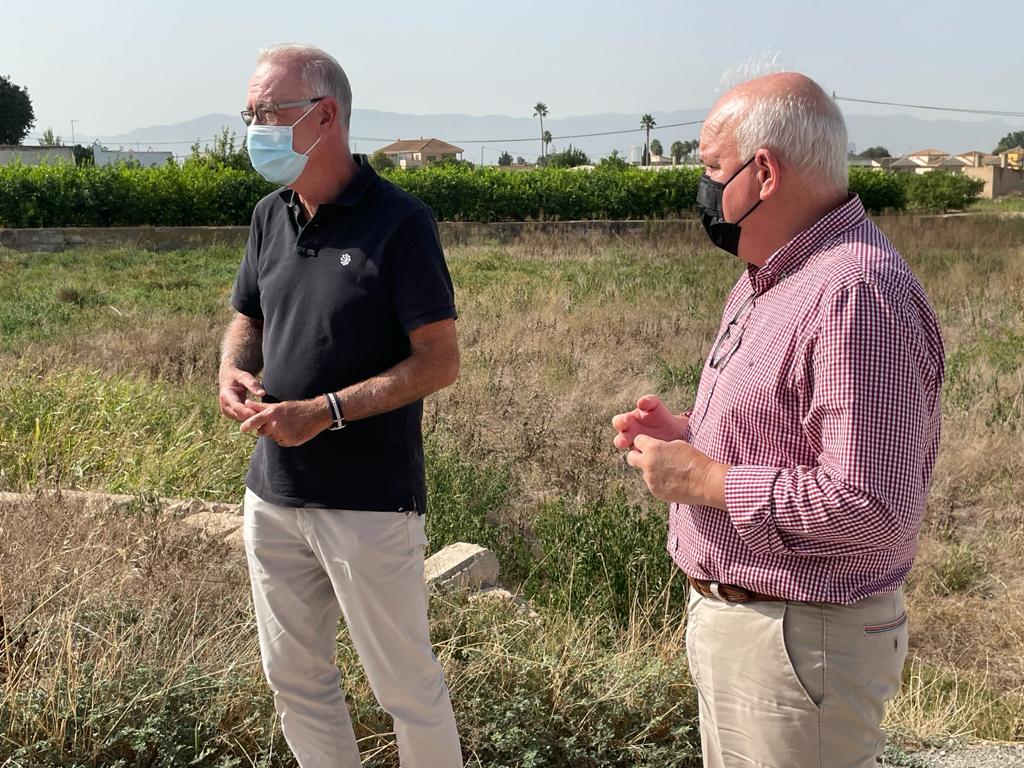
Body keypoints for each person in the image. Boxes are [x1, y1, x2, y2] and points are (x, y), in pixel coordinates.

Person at [613, 72, 944, 767]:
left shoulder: (856, 293)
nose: (701, 189)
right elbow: (784, 439)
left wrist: (704, 479)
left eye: (710, 168)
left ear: (763, 172)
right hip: (761, 630)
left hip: (800, 642)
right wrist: (688, 440)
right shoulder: (770, 276)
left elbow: (872, 505)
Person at [217, 43, 463, 768]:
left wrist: (323, 411)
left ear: (325, 116)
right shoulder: (271, 214)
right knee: (295, 680)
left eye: (267, 112)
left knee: (405, 690)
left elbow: (438, 362)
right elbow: (248, 317)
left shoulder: (400, 222)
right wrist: (232, 368)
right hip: (274, 493)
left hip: (368, 505)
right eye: (250, 113)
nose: (254, 128)